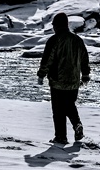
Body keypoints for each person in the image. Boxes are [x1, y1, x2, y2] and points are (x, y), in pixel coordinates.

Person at [37, 12, 91, 144]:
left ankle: (61, 137)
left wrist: (41, 75)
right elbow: (84, 59)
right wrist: (85, 75)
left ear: (57, 25)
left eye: (54, 25)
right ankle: (77, 125)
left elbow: (47, 60)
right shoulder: (77, 40)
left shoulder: (54, 40)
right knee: (69, 105)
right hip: (74, 81)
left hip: (57, 81)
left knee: (58, 110)